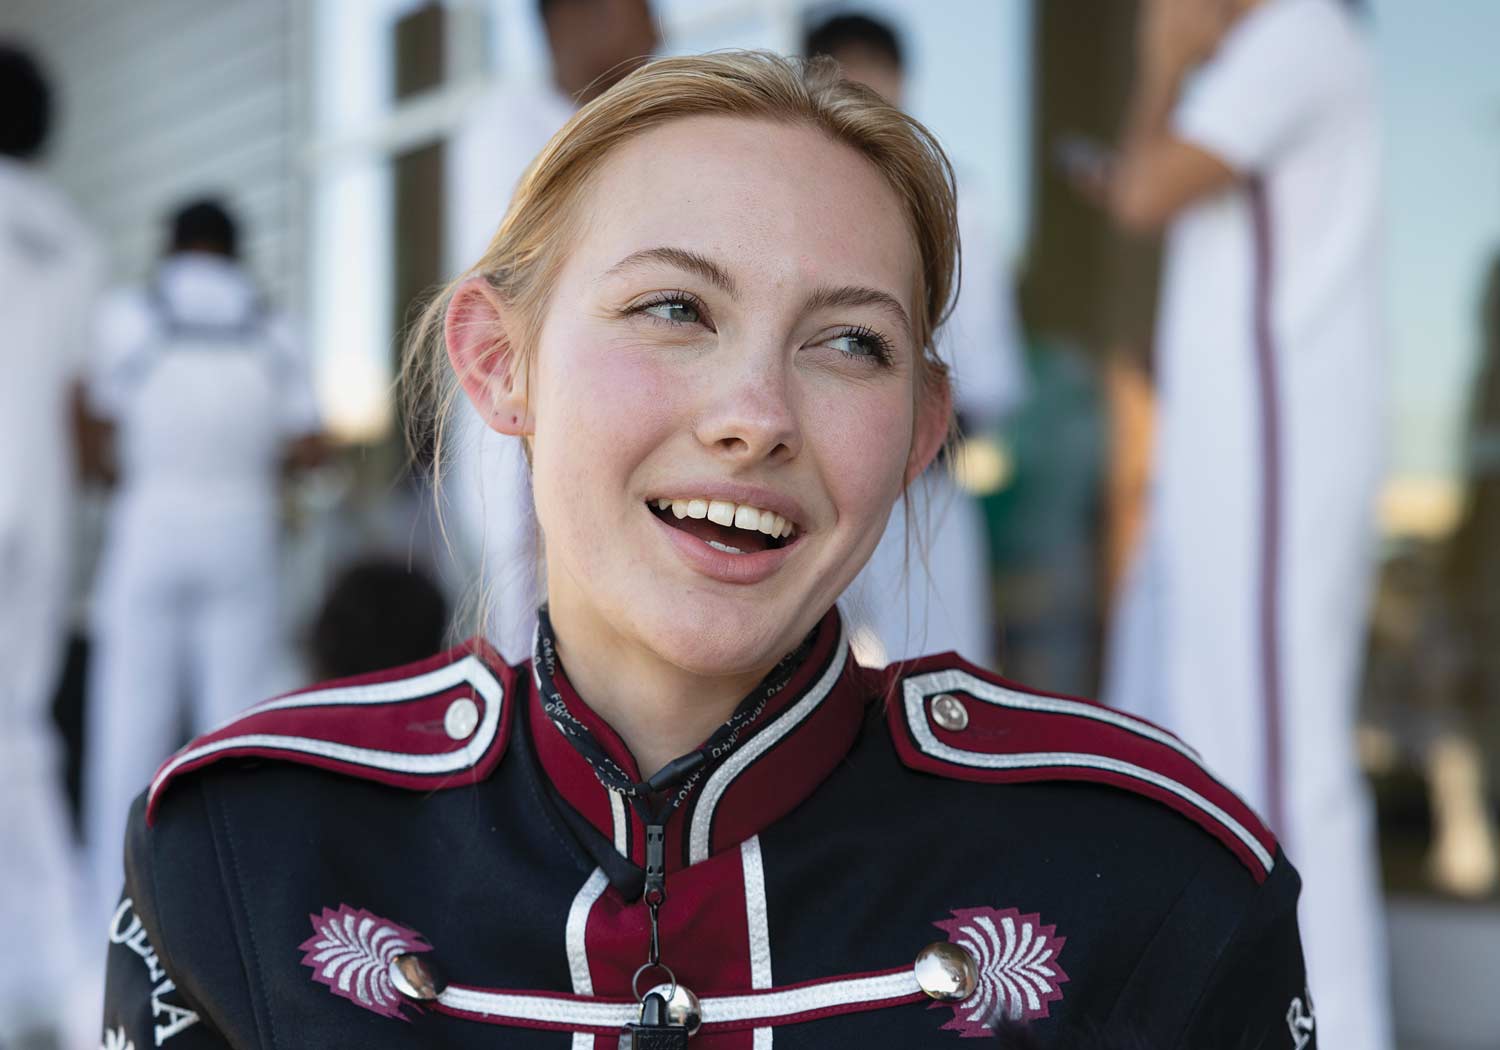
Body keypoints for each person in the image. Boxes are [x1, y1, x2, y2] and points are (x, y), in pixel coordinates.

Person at [102, 52, 1313, 1049]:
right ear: (496, 361)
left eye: (849, 344)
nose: (757, 415)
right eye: (675, 308)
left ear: (918, 436)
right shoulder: (244, 852)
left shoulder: (1155, 877)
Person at [1083, 2, 1388, 1047]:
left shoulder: (1299, 33)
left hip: (1280, 452)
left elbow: (1143, 189)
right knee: (1226, 742)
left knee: (1280, 762)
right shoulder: (1272, 53)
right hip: (1238, 455)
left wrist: (1161, 63)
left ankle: (1338, 1030)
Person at [83, 198, 323, 927]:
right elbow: (309, 443)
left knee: (128, 722)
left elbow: (94, 428)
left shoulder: (131, 314)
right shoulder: (272, 326)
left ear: (174, 244)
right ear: (233, 248)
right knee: (234, 722)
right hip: (242, 528)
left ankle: (111, 905)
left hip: (150, 523)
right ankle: (231, 913)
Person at [804, 12, 1025, 669]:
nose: (865, 94)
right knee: (803, 680)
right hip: (809, 480)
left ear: (903, 84)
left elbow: (989, 374)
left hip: (921, 487)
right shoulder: (786, 203)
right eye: (844, 76)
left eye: (878, 76)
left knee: (929, 676)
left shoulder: (956, 202)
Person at [444, 0, 658, 661]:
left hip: (638, 408)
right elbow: (524, 276)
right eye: (637, 10)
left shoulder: (663, 125)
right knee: (527, 626)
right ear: (567, 21)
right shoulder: (504, 125)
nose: (654, 30)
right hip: (527, 409)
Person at [0, 40, 104, 1050]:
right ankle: (60, 979)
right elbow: (82, 404)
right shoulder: (70, 239)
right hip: (36, 508)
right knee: (20, 739)